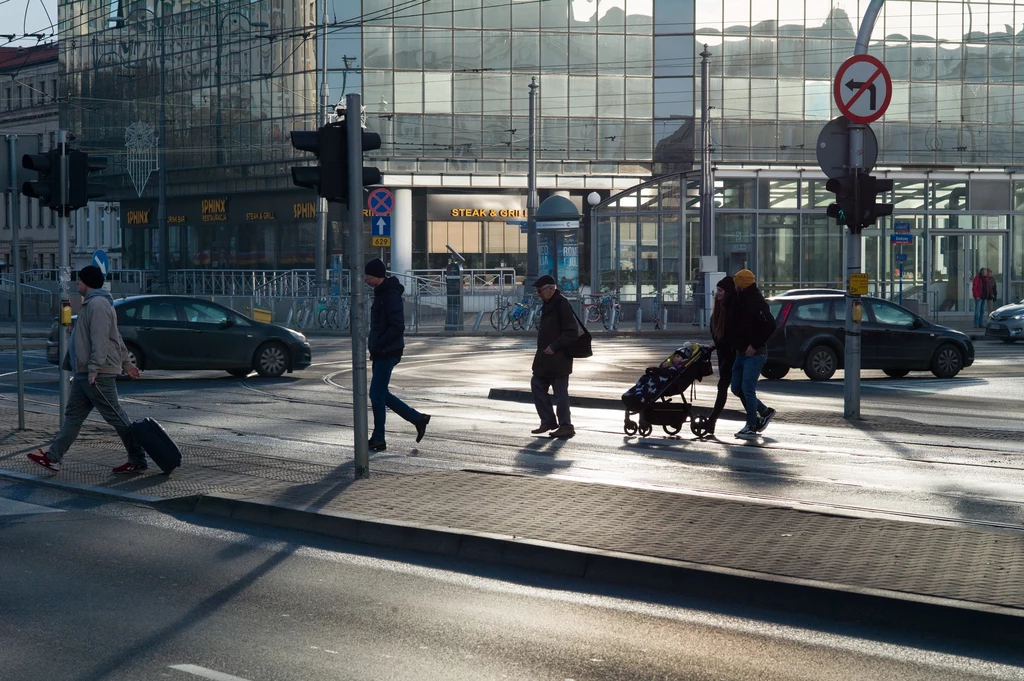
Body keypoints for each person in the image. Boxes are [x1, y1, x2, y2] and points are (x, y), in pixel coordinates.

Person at [28, 265, 144, 474]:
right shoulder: (91, 303)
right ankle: (53, 458)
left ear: (88, 282)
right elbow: (115, 336)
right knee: (73, 416)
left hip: (96, 374)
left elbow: (101, 339)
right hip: (85, 372)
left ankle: (138, 458)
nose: (77, 283)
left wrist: (94, 369)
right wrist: (126, 363)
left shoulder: (98, 304)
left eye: (80, 280)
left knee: (116, 416)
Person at [365, 258, 430, 452]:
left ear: (377, 275)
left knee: (376, 394)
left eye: (368, 275)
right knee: (380, 393)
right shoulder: (381, 293)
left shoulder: (390, 295)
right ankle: (417, 419)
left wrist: (379, 343)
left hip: (387, 351)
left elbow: (397, 326)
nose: (365, 278)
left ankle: (379, 438)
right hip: (382, 351)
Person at [727, 269, 777, 440]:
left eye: (736, 282)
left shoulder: (756, 303)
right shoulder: (741, 300)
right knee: (736, 387)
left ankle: (751, 425)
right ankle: (763, 411)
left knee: (748, 389)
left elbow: (770, 325)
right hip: (741, 352)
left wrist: (754, 345)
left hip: (754, 354)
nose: (735, 285)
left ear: (742, 284)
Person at [530, 275, 580, 439]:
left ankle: (566, 426)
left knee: (560, 394)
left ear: (551, 289)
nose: (538, 294)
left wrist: (554, 346)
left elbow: (572, 332)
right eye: (537, 291)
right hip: (545, 359)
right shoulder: (548, 304)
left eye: (540, 290)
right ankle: (548, 421)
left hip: (558, 359)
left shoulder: (561, 304)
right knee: (537, 385)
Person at [704, 275, 737, 437]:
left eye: (721, 290)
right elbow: (716, 334)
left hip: (732, 355)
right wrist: (716, 345)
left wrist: (718, 344)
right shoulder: (717, 312)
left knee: (730, 388)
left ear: (728, 292)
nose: (717, 294)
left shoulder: (732, 311)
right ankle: (762, 412)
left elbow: (729, 337)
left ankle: (712, 421)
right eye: (717, 290)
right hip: (723, 354)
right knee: (736, 389)